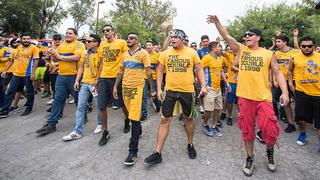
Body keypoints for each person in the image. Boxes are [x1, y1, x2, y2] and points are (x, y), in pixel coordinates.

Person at [207, 15, 289, 176]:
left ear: (258, 37)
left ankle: (270, 151)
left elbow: (278, 73)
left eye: (249, 35)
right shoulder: (241, 50)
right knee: (247, 131)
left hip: (263, 98)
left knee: (270, 131)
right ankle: (250, 157)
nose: (246, 37)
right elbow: (226, 36)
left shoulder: (268, 54)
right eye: (244, 36)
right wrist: (218, 23)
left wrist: (285, 92)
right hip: (245, 97)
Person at [144, 29, 207, 166]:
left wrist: (203, 85)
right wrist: (159, 88)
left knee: (188, 119)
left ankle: (190, 144)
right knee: (164, 120)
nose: (172, 39)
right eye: (171, 37)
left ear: (183, 39)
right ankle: (157, 153)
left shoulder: (191, 52)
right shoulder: (166, 53)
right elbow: (159, 70)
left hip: (187, 91)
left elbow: (199, 69)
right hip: (170, 91)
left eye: (175, 37)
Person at [113, 32, 155, 166]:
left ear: (137, 40)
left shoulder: (143, 54)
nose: (128, 39)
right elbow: (120, 71)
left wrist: (152, 89)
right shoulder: (124, 54)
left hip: (138, 88)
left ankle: (133, 152)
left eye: (131, 38)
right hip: (125, 88)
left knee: (135, 120)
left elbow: (148, 72)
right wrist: (115, 87)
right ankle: (139, 130)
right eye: (128, 38)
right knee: (131, 116)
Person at [35, 28, 86, 136]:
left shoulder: (79, 44)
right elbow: (56, 60)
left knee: (78, 99)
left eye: (70, 33)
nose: (67, 35)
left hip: (74, 76)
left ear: (76, 35)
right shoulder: (62, 45)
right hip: (61, 76)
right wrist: (52, 55)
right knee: (58, 99)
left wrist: (58, 56)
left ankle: (83, 115)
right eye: (66, 33)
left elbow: (77, 57)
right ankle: (51, 123)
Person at [62, 34, 103, 141]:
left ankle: (100, 124)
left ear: (96, 43)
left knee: (99, 106)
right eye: (86, 41)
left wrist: (97, 81)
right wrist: (77, 80)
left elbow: (101, 68)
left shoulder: (101, 53)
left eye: (89, 41)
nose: (87, 43)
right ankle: (77, 131)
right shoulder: (85, 53)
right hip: (84, 83)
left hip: (95, 84)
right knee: (80, 107)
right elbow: (81, 67)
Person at [96, 24, 128, 146]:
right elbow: (101, 63)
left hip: (117, 77)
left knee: (122, 104)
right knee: (102, 106)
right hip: (104, 77)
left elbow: (126, 58)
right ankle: (105, 132)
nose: (106, 32)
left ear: (113, 31)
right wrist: (97, 79)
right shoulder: (102, 45)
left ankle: (127, 120)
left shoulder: (121, 43)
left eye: (108, 30)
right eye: (104, 31)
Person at [287, 36, 320, 151]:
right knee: (301, 117)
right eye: (304, 46)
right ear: (300, 46)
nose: (306, 48)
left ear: (314, 46)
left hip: (318, 93)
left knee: (319, 120)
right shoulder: (294, 58)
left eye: (309, 46)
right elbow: (289, 71)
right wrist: (291, 84)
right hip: (302, 92)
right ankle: (303, 134)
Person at [0, 33, 40, 118]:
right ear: (21, 40)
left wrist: (33, 73)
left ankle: (29, 107)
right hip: (16, 74)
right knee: (10, 92)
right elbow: (11, 60)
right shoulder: (18, 48)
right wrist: (5, 70)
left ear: (30, 39)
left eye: (27, 39)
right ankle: (4, 111)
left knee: (29, 92)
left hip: (27, 74)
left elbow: (36, 61)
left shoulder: (34, 48)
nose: (26, 40)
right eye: (24, 39)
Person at [201, 41, 231, 137]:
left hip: (218, 89)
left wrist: (227, 83)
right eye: (219, 47)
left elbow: (221, 71)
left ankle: (214, 126)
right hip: (210, 88)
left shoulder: (219, 58)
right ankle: (205, 124)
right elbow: (199, 70)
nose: (220, 49)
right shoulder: (206, 58)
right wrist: (203, 86)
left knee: (218, 109)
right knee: (208, 110)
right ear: (213, 49)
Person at [272, 34, 299, 133]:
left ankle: (301, 122)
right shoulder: (276, 54)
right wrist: (274, 80)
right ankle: (291, 123)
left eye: (279, 41)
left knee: (299, 102)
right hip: (280, 82)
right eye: (276, 42)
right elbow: (274, 69)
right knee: (285, 102)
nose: (277, 43)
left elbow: (299, 48)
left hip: (293, 81)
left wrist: (295, 37)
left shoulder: (294, 52)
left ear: (285, 42)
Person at [141, 40, 160, 121]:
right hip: (144, 77)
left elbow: (159, 68)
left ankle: (158, 106)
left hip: (154, 78)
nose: (148, 46)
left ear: (153, 46)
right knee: (144, 96)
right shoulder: (143, 54)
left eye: (149, 45)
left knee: (155, 95)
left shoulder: (157, 55)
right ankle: (144, 114)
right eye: (147, 45)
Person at [0, 36, 10, 107]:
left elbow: (8, 58)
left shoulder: (6, 48)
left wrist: (1, 59)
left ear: (3, 41)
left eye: (0, 40)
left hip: (3, 70)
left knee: (1, 87)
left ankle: (3, 103)